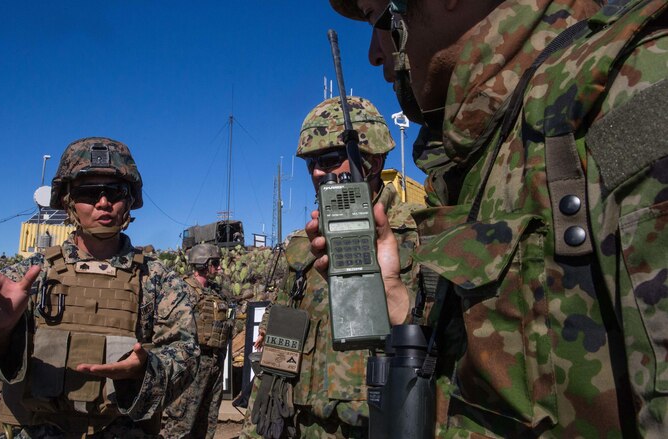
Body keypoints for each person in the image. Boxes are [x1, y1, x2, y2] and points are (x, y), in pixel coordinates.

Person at [330, 0, 668, 436]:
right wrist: (396, 300)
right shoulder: (488, 152)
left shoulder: (633, 89)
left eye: (381, 19)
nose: (376, 53)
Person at [0, 137, 199, 437]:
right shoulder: (31, 274)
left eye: (115, 192)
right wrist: (4, 333)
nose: (103, 203)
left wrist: (146, 370)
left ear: (128, 200)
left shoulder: (157, 280)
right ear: (68, 201)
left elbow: (186, 353)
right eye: (89, 193)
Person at [241, 96, 421, 438]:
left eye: (330, 158)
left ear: (372, 159)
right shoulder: (303, 247)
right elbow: (278, 350)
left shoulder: (417, 236)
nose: (319, 172)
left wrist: (396, 300)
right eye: (311, 163)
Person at [161, 243, 234, 439]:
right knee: (182, 418)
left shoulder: (216, 291)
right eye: (215, 263)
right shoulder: (183, 289)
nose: (219, 268)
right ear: (203, 264)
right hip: (193, 361)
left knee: (208, 417)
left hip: (215, 361)